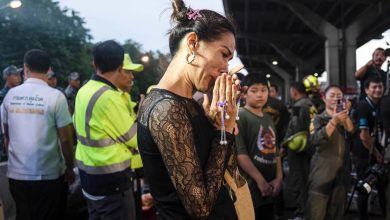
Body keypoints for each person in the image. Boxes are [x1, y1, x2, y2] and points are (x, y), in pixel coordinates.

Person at [137, 1, 240, 219]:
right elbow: (200, 207)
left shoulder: (190, 104)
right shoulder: (165, 108)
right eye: (224, 54)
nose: (226, 68)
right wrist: (225, 130)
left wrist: (218, 126)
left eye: (229, 60)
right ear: (193, 43)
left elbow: (224, 175)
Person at [1, 49, 75, 220]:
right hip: (47, 174)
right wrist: (69, 168)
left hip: (16, 174)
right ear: (48, 69)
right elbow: (65, 139)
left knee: (23, 214)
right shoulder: (56, 97)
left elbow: (7, 135)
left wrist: (14, 162)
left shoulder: (10, 95)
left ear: (25, 68)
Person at [73, 40, 138, 220]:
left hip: (88, 177)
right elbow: (134, 138)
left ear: (95, 64)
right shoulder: (109, 97)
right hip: (111, 181)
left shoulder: (83, 91)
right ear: (119, 66)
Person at [236, 73, 283, 220]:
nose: (260, 95)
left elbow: (275, 150)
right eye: (254, 90)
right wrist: (260, 181)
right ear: (244, 94)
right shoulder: (240, 116)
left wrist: (279, 178)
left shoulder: (268, 118)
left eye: (263, 90)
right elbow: (240, 154)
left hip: (270, 187)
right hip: (251, 188)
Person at [307, 85, 355, 220]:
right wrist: (334, 121)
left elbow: (352, 134)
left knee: (337, 214)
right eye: (332, 95)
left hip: (341, 176)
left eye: (339, 96)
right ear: (324, 98)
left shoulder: (345, 119)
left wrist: (345, 117)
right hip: (321, 175)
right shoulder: (317, 119)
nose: (336, 99)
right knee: (316, 213)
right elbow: (315, 140)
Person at [352, 77, 387, 219]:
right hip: (364, 155)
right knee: (364, 188)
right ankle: (363, 217)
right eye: (374, 87)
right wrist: (378, 155)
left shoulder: (379, 105)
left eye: (380, 87)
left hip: (376, 153)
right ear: (366, 90)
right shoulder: (363, 106)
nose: (378, 90)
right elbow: (364, 136)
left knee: (382, 186)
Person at [282, 82, 314, 219]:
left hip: (298, 148)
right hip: (311, 146)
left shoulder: (298, 106)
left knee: (299, 180)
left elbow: (294, 128)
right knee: (307, 179)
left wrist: (284, 144)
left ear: (294, 91)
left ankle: (301, 213)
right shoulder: (311, 104)